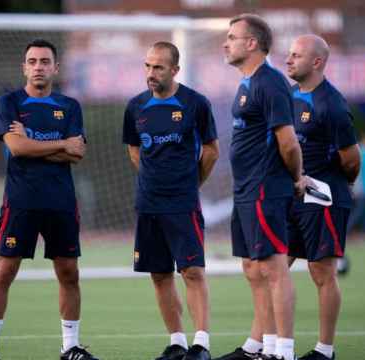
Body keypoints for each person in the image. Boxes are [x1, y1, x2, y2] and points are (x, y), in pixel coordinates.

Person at [0, 39, 97, 360]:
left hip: (61, 202)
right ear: (24, 67)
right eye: (32, 61)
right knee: (5, 271)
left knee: (69, 272)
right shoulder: (9, 102)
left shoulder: (69, 106)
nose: (38, 67)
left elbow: (78, 153)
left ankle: (70, 347)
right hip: (21, 201)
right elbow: (17, 149)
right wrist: (57, 145)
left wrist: (33, 143)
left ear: (55, 68)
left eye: (45, 62)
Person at [216, 14, 306, 360]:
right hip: (246, 190)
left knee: (273, 267)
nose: (226, 43)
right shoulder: (247, 83)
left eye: (232, 37)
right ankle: (263, 348)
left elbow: (289, 142)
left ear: (251, 43)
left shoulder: (270, 83)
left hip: (267, 188)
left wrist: (297, 177)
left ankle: (283, 352)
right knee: (253, 268)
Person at [122, 41, 219, 360]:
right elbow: (134, 150)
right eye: (148, 66)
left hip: (182, 203)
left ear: (175, 70)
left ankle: (201, 344)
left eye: (158, 67)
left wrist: (190, 184)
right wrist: (154, 178)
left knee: (192, 271)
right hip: (148, 203)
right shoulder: (135, 106)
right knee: (159, 274)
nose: (151, 73)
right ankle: (177, 342)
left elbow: (211, 150)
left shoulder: (195, 103)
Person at [285, 34, 361, 360]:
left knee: (322, 272)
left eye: (296, 55)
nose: (288, 60)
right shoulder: (290, 96)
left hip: (323, 195)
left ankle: (324, 350)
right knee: (271, 267)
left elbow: (351, 158)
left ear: (316, 62)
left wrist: (331, 184)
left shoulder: (331, 103)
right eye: (289, 54)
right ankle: (265, 344)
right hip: (290, 196)